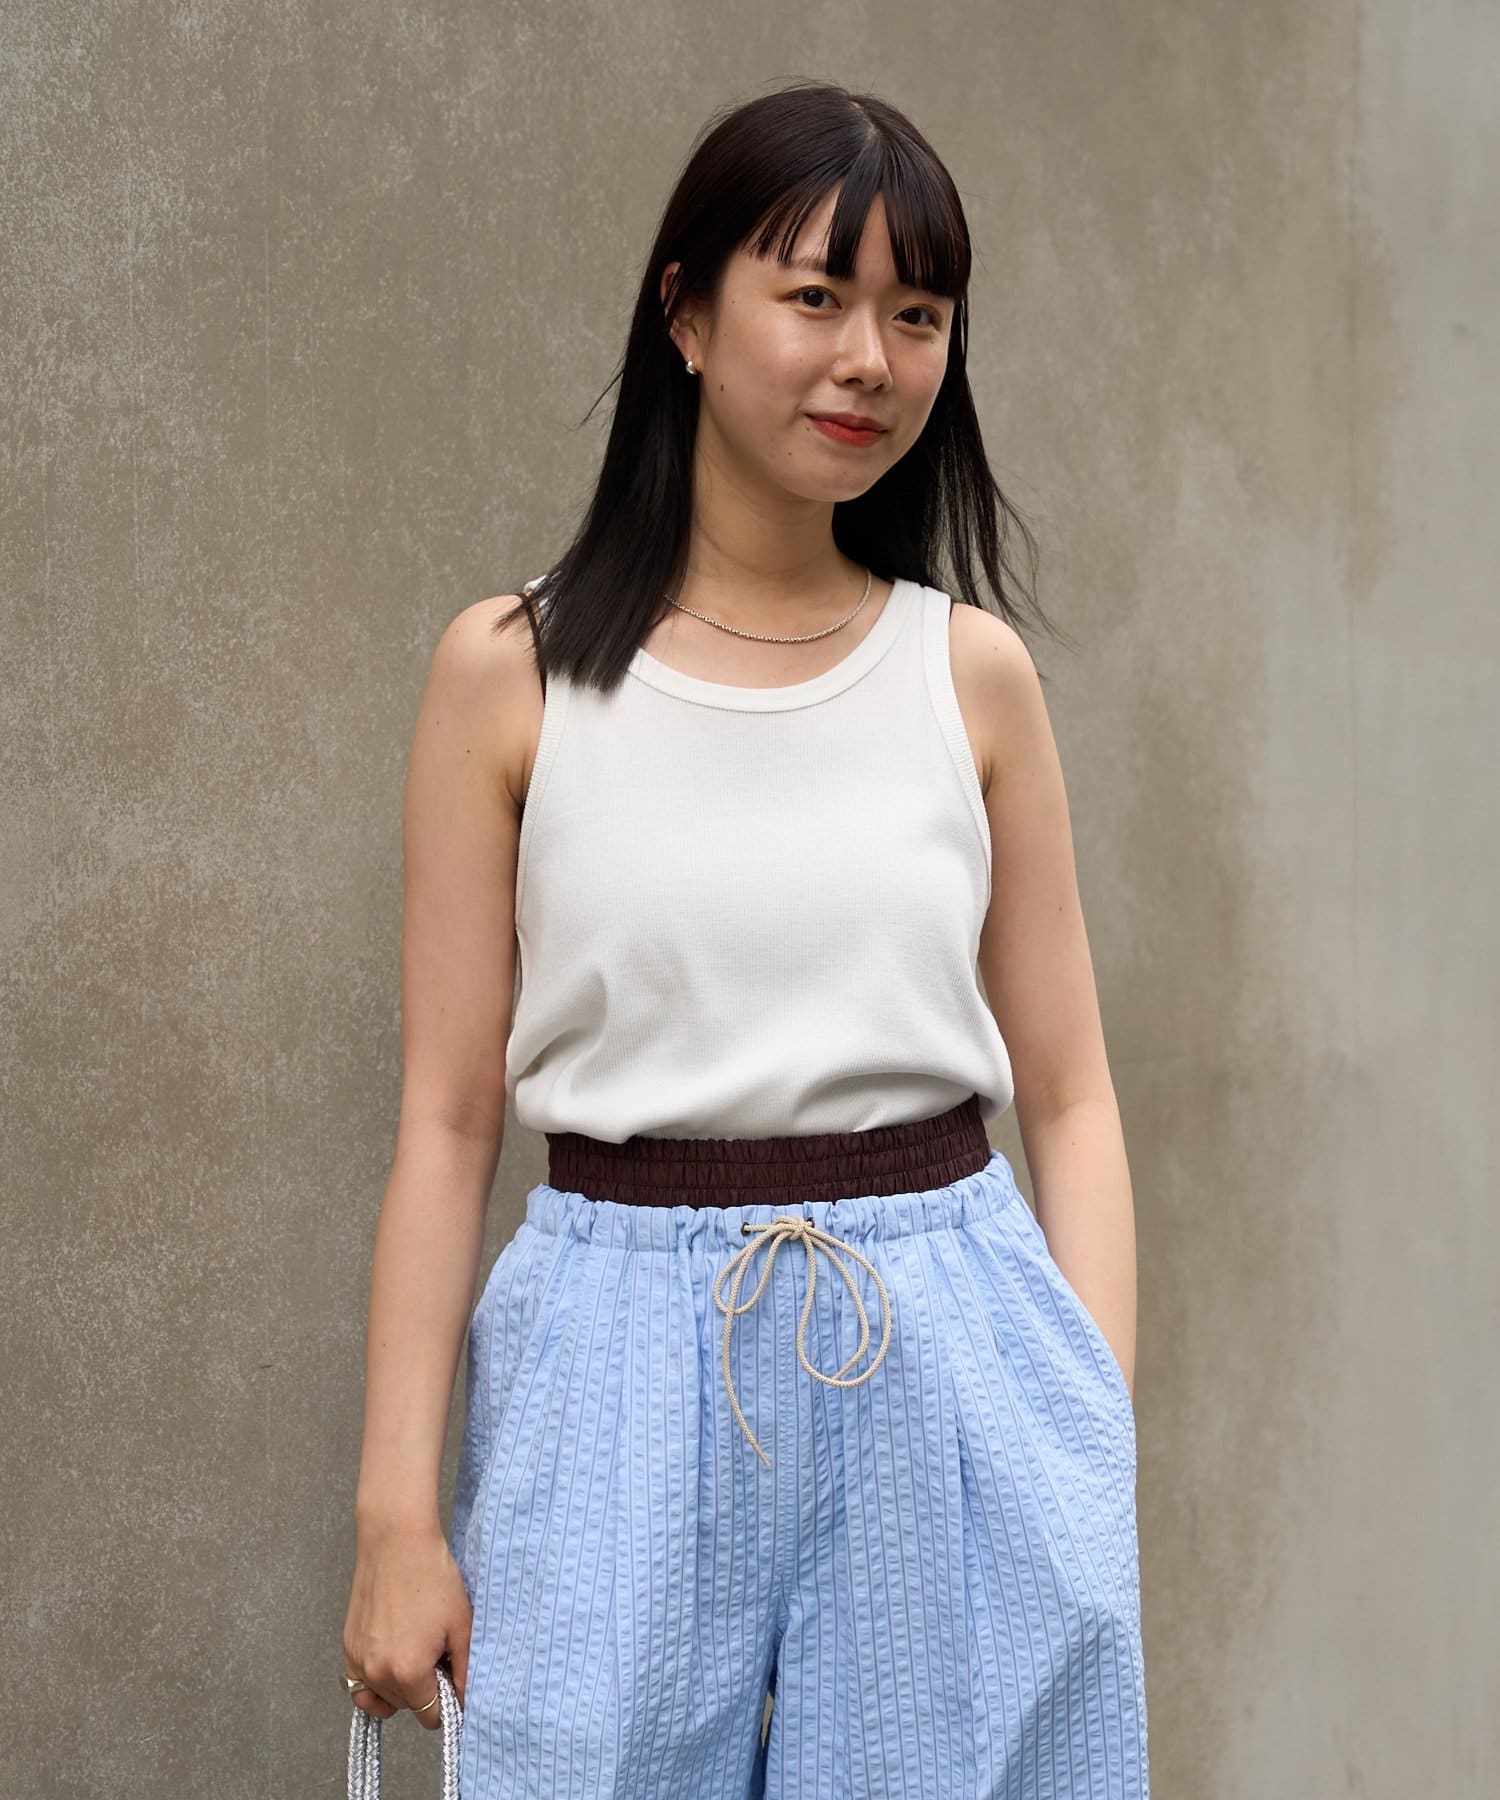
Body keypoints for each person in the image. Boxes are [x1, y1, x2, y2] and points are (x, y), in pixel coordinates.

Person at [341, 77, 1147, 1799]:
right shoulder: (511, 672)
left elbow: (1072, 1099)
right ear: (687, 314)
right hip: (610, 1356)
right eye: (817, 296)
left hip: (947, 1353)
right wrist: (396, 1516)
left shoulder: (969, 675)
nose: (871, 359)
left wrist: (1088, 1444)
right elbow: (448, 1121)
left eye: (917, 314)